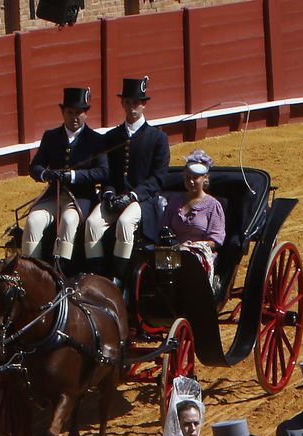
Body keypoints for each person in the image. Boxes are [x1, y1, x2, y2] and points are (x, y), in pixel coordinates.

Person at [84, 75, 171, 283]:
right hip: (115, 197)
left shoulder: (157, 138)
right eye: (128, 102)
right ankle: (97, 276)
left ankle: (118, 279)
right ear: (122, 103)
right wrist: (108, 192)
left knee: (124, 222)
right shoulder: (112, 137)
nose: (132, 107)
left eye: (137, 103)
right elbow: (108, 174)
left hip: (143, 201)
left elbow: (157, 179)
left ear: (144, 105)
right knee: (92, 223)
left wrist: (132, 196)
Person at [25, 86, 108, 277]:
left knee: (69, 221)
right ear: (62, 112)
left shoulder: (96, 140)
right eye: (70, 112)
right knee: (33, 221)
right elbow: (35, 167)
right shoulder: (51, 137)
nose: (74, 117)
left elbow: (103, 172)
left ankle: (59, 271)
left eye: (79, 113)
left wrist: (73, 176)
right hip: (53, 196)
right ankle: (31, 273)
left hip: (79, 198)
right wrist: (47, 174)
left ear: (86, 114)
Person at [161, 148, 226, 291]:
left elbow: (215, 241)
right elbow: (165, 229)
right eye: (187, 177)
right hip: (174, 253)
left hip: (199, 255)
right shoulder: (175, 201)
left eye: (195, 178)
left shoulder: (213, 206)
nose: (190, 181)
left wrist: (193, 246)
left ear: (204, 178)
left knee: (189, 262)